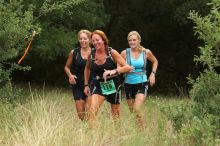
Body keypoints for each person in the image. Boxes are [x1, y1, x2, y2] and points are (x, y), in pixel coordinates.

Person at [84, 30, 133, 126]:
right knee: (92, 111)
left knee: (116, 116)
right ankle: (94, 138)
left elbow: (127, 67)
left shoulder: (112, 52)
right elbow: (87, 68)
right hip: (98, 85)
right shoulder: (92, 54)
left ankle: (117, 137)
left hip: (113, 85)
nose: (95, 43)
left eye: (97, 40)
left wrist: (114, 71)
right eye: (93, 41)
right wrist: (86, 84)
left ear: (103, 40)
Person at [120, 31, 158, 129]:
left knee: (137, 108)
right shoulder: (124, 53)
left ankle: (142, 130)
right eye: (130, 40)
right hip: (128, 84)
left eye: (134, 40)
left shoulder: (146, 52)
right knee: (133, 111)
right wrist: (125, 68)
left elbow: (155, 61)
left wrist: (152, 74)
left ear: (139, 40)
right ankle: (138, 130)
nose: (132, 42)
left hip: (142, 83)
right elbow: (118, 67)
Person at [64, 29, 92, 120]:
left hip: (91, 84)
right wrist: (70, 75)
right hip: (77, 84)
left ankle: (90, 132)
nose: (83, 41)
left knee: (89, 113)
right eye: (81, 39)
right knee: (81, 114)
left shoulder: (95, 52)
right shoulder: (74, 52)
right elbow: (66, 67)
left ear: (90, 40)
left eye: (85, 38)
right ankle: (85, 131)